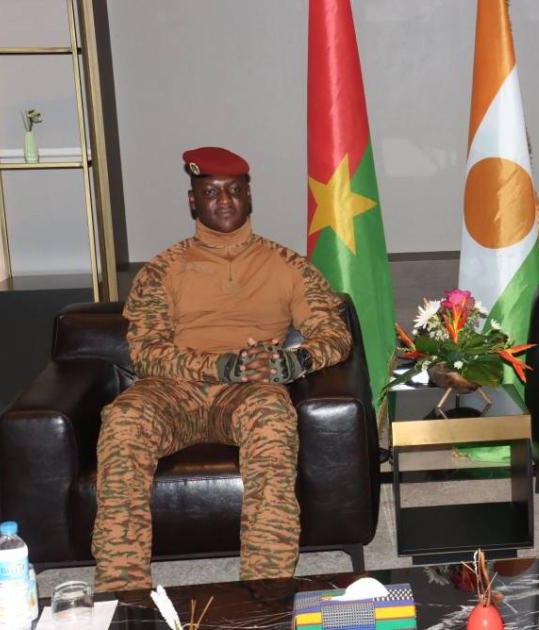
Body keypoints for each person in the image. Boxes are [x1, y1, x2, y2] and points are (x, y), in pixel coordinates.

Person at [92, 146, 352, 592]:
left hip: (250, 392)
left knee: (273, 418)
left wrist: (294, 361)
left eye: (234, 190)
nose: (225, 200)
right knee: (124, 418)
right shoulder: (163, 269)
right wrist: (222, 365)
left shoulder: (288, 265)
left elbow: (334, 333)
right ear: (193, 201)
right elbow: (147, 352)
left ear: (249, 196)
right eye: (211, 192)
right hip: (176, 390)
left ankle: (265, 591)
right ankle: (122, 591)